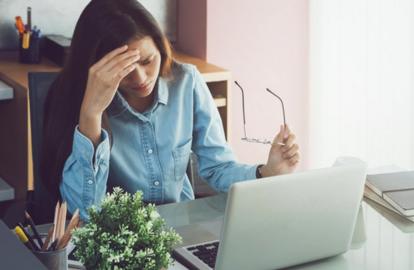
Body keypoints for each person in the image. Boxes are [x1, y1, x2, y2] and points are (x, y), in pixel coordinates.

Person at [41, 0, 300, 221]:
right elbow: (84, 214)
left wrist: (266, 172)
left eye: (147, 60)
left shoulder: (186, 82)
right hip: (116, 244)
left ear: (160, 45)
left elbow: (218, 168)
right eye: (125, 71)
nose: (141, 78)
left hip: (182, 232)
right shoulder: (76, 99)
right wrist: (91, 115)